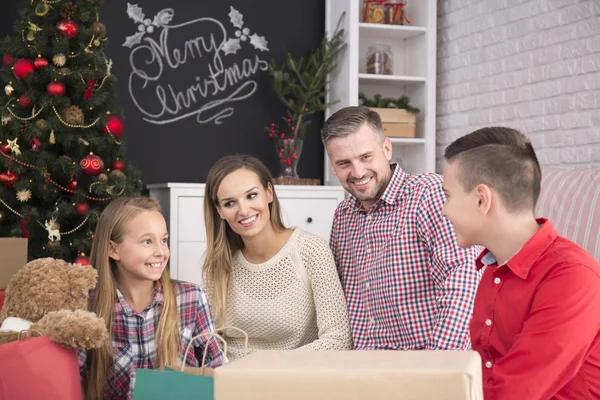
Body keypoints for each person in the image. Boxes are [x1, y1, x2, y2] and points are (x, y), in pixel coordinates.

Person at [442, 126, 600, 399]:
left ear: (482, 199)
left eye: (448, 196)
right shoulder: (494, 268)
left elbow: (514, 393)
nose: (443, 210)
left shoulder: (572, 277)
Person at [321, 106, 479, 350]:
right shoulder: (343, 216)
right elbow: (336, 301)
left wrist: (435, 366)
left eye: (366, 157)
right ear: (333, 166)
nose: (358, 172)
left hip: (423, 366)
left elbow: (463, 283)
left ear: (386, 148)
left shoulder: (429, 194)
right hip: (360, 369)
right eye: (344, 163)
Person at [202, 154, 352, 360]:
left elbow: (339, 339)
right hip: (230, 380)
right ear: (219, 211)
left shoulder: (310, 251)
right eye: (229, 203)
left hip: (290, 381)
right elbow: (210, 341)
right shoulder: (218, 265)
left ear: (269, 193)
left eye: (251, 195)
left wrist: (265, 365)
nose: (244, 210)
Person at [79, 196, 225, 400]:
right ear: (113, 249)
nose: (161, 252)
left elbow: (220, 374)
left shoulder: (192, 298)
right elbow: (69, 383)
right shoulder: (86, 307)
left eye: (163, 240)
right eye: (147, 241)